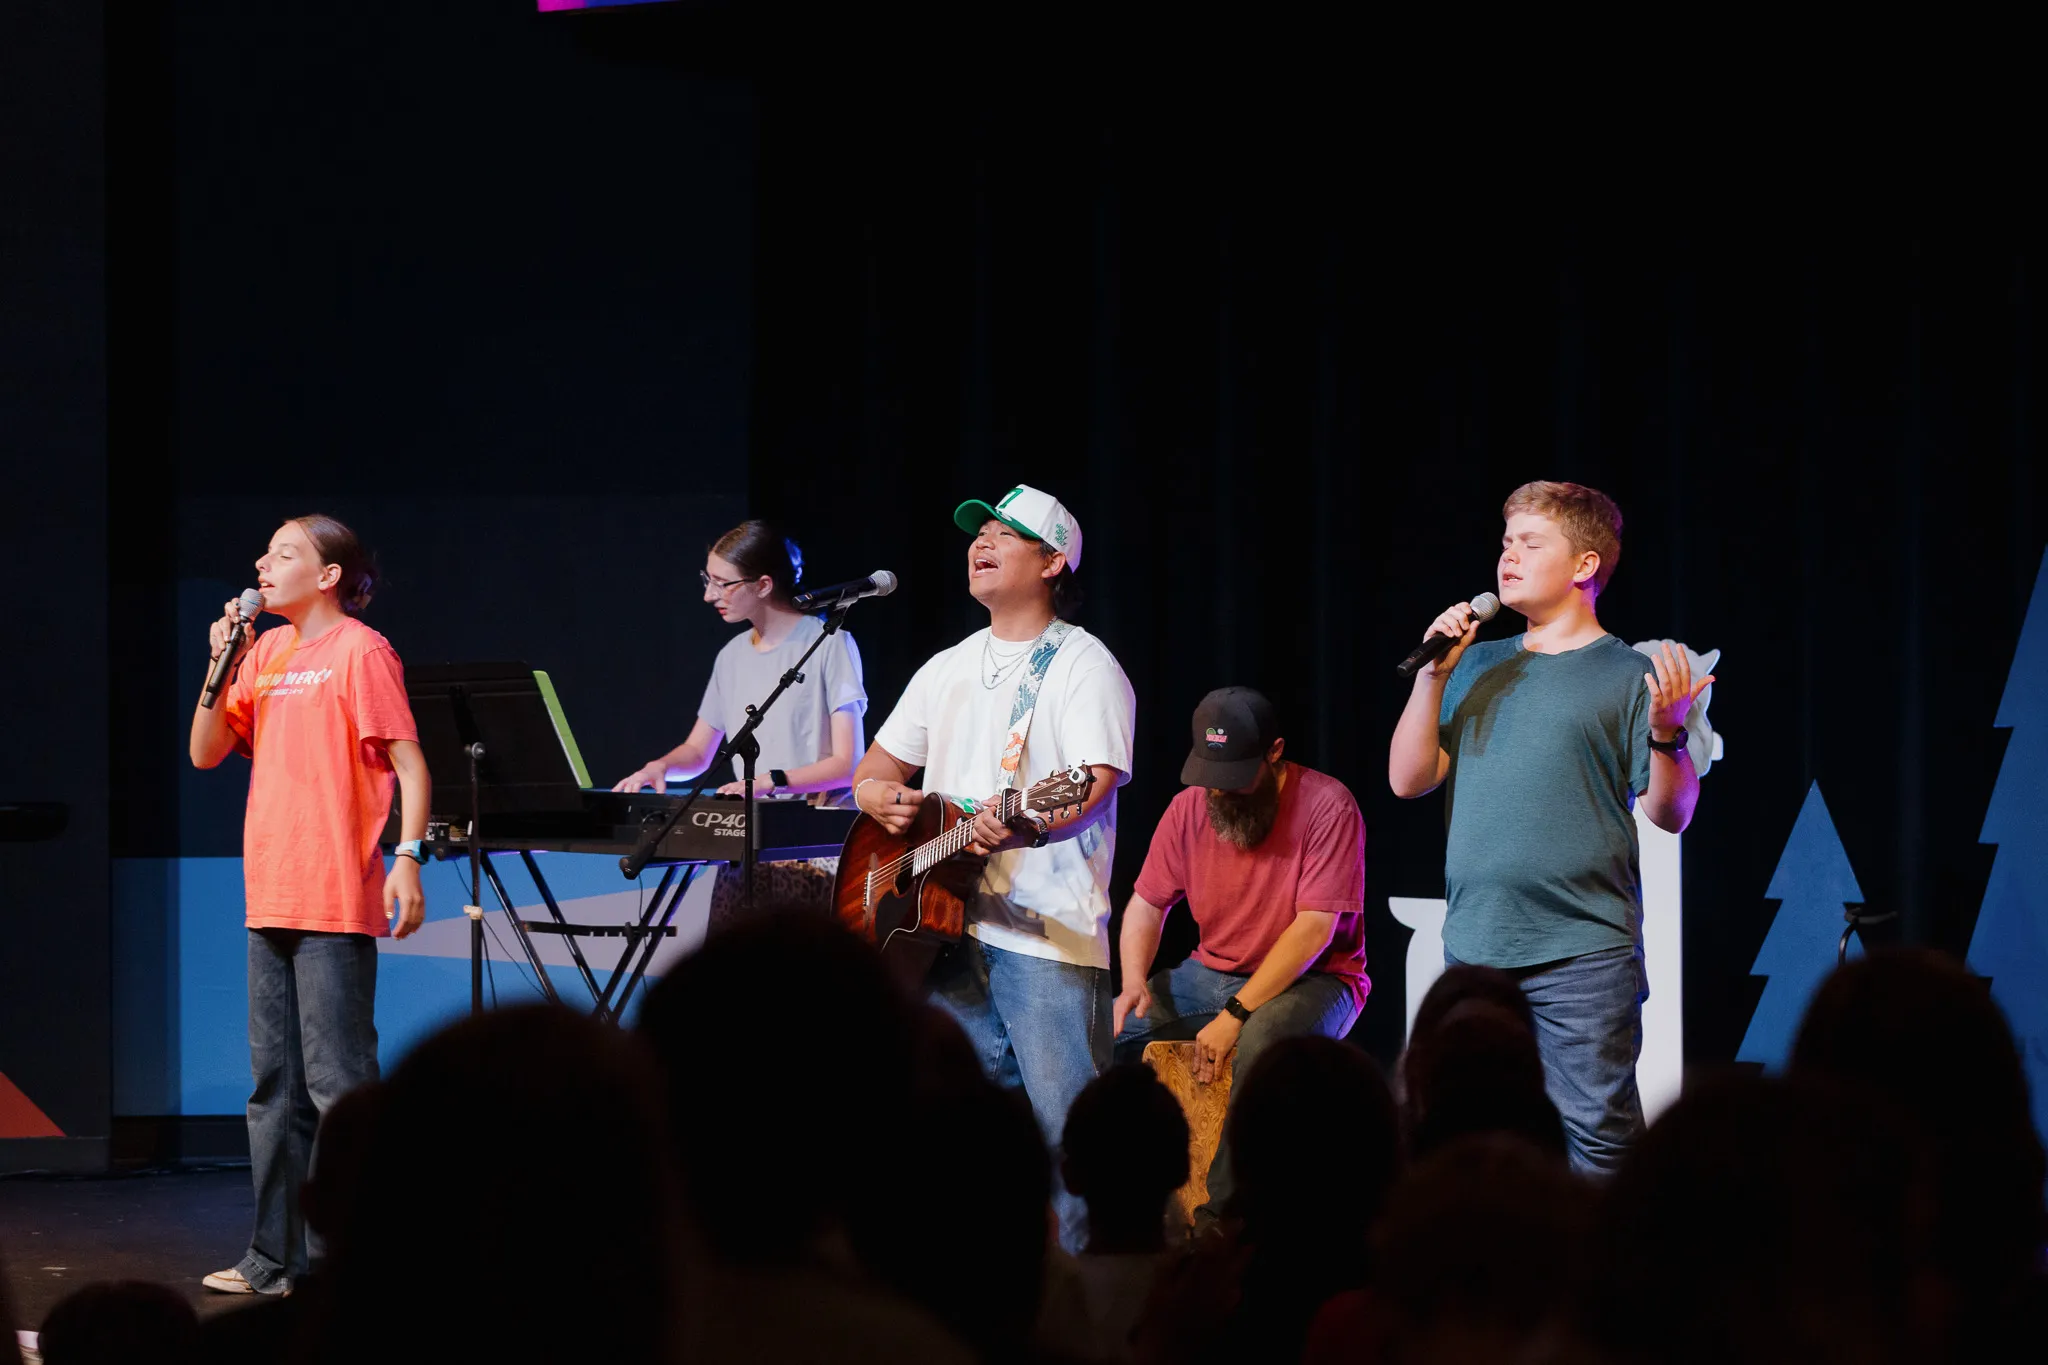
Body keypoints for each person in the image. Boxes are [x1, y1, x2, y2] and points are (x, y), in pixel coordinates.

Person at [1388, 480, 1714, 1175]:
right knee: (1467, 1136)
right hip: (1478, 943)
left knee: (1597, 1139)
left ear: (1584, 565)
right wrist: (1432, 676)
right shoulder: (1477, 662)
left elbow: (1671, 812)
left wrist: (1667, 733)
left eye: (1531, 543)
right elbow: (1408, 779)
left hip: (1583, 951)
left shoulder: (1628, 674)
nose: (1508, 556)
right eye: (1506, 541)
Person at [850, 484, 1135, 1251]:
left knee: (1071, 1146)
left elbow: (1092, 783)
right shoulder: (947, 666)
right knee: (958, 1142)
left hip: (1046, 934)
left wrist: (1022, 824)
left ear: (1053, 561)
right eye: (978, 533)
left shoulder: (1083, 664)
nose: (982, 542)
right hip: (941, 927)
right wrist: (880, 797)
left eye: (1005, 534)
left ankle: (1093, 1295)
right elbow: (874, 770)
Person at [188, 514, 428, 1297]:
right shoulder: (263, 651)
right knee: (273, 1088)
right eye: (265, 551)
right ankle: (273, 1256)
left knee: (340, 1089)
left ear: (328, 575)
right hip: (270, 891)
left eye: (284, 552)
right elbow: (205, 751)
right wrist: (221, 658)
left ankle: (347, 1262)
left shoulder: (361, 650)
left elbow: (410, 762)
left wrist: (407, 857)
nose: (263, 562)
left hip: (335, 894)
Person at [1112, 687, 1366, 1221]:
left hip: (1317, 979)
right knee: (1094, 1036)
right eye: (1211, 776)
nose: (1220, 792)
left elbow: (1315, 929)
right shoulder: (1188, 807)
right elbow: (1146, 905)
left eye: (1234, 776)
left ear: (1275, 752)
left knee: (1262, 1042)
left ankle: (1221, 1225)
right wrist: (1133, 980)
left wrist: (1236, 1014)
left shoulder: (1328, 805)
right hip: (1211, 973)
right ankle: (1127, 1211)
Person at [613, 519, 867, 915]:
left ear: (763, 585)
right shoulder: (731, 655)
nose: (709, 595)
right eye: (707, 580)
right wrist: (659, 767)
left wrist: (767, 783)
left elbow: (848, 765)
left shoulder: (830, 644)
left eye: (722, 583)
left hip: (814, 844)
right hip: (748, 839)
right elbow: (699, 752)